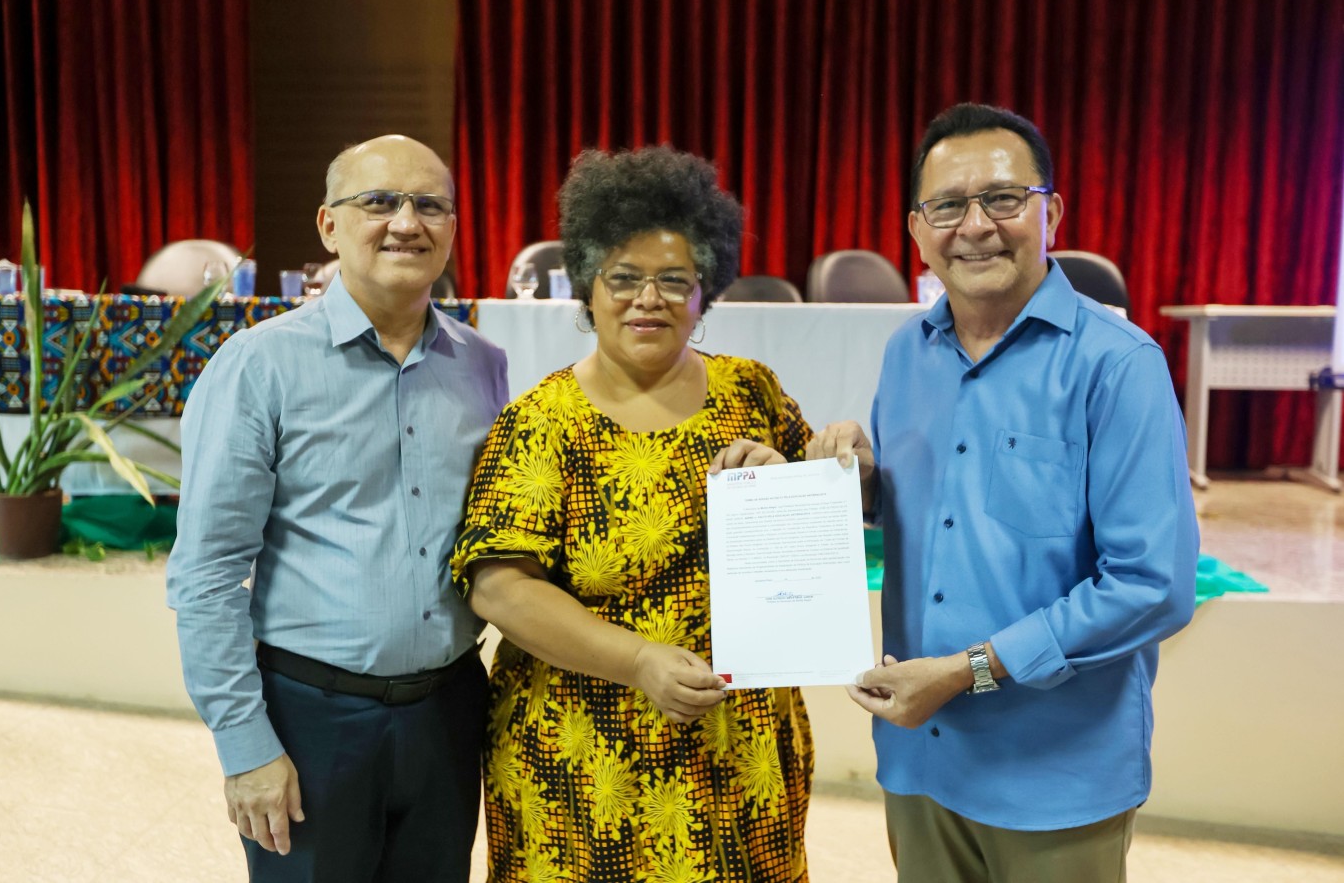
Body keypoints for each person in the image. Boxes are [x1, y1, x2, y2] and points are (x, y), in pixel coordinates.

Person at [807, 103, 1199, 883]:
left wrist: (966, 671)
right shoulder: (905, 354)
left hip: (1055, 772)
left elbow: (1153, 586)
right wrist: (855, 485)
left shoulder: (1118, 365)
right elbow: (936, 515)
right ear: (917, 230)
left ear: (1051, 211)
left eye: (1003, 199)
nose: (976, 226)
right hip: (921, 756)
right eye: (948, 205)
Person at [452, 146, 815, 882]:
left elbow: (819, 540)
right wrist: (640, 660)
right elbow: (497, 585)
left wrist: (802, 480)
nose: (647, 298)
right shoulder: (543, 419)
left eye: (673, 280)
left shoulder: (756, 394)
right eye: (623, 278)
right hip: (581, 761)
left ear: (703, 292)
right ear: (588, 286)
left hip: (736, 752)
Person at [167, 134, 508, 882]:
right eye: (379, 201)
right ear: (328, 225)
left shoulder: (485, 366)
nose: (405, 222)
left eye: (430, 204)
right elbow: (207, 573)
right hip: (311, 718)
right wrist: (244, 743)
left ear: (452, 226)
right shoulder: (258, 367)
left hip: (449, 710)